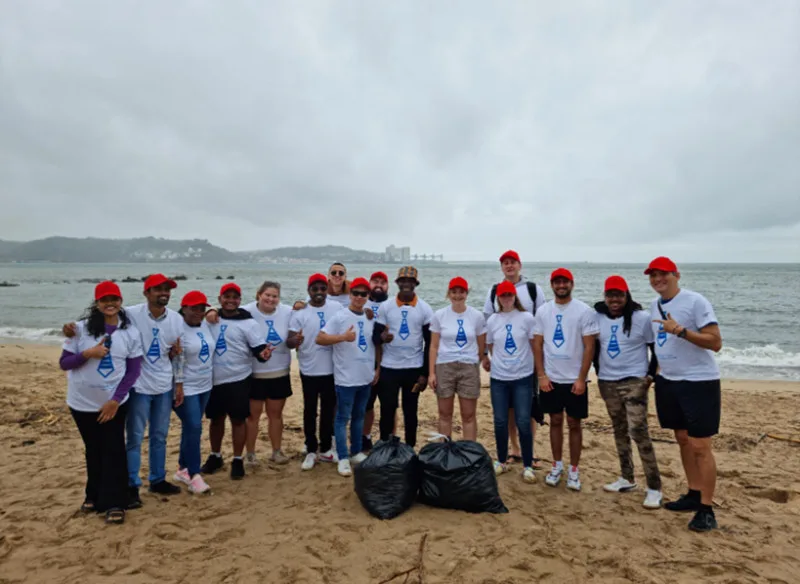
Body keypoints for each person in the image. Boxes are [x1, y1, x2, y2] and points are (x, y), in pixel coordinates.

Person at [62, 273, 185, 507]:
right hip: (137, 387)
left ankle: (157, 479)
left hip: (163, 385)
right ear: (146, 293)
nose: (163, 293)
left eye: (167, 289)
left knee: (159, 436)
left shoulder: (176, 320)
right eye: (158, 289)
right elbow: (96, 321)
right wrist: (69, 329)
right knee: (134, 438)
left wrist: (178, 383)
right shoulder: (130, 314)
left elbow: (175, 352)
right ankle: (131, 485)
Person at [645, 256, 723, 532]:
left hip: (699, 382)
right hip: (669, 382)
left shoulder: (695, 301)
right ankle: (693, 492)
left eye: (663, 274)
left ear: (676, 275)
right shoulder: (655, 305)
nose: (658, 279)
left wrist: (679, 330)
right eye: (653, 275)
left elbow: (715, 342)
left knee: (701, 446)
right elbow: (658, 346)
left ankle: (707, 507)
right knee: (682, 439)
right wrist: (653, 375)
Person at [59, 281, 143, 524]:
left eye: (114, 299)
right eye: (104, 300)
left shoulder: (130, 332)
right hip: (81, 403)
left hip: (114, 404)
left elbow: (133, 371)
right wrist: (87, 354)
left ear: (120, 301)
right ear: (97, 303)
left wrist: (115, 401)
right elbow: (64, 363)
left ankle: (115, 502)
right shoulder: (80, 330)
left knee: (114, 450)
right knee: (93, 450)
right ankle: (93, 495)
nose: (110, 304)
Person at [593, 275, 662, 509]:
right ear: (605, 296)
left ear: (626, 296)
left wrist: (651, 377)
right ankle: (627, 478)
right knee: (619, 430)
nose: (614, 299)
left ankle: (654, 487)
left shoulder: (642, 319)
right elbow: (593, 347)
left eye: (619, 295)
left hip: (634, 381)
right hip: (607, 382)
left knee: (638, 431)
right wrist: (597, 370)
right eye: (610, 295)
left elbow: (656, 348)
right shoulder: (598, 317)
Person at [533, 268, 598, 491]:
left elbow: (590, 346)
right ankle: (557, 464)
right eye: (557, 282)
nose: (561, 286)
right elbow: (538, 345)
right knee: (556, 421)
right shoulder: (543, 311)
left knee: (574, 423)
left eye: (565, 282)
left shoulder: (584, 311)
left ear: (572, 283)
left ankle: (574, 470)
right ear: (552, 285)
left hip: (574, 379)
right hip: (551, 378)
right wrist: (541, 375)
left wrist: (582, 378)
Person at [200, 283, 272, 480]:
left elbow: (259, 349)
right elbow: (188, 320)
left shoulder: (248, 323)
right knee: (215, 420)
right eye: (226, 297)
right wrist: (210, 312)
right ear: (220, 298)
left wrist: (264, 355)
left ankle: (238, 459)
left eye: (235, 297)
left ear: (240, 300)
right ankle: (215, 456)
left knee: (238, 421)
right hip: (213, 379)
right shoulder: (210, 320)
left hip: (238, 379)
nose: (230, 300)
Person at [483, 250, 546, 468]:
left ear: (520, 265)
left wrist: (540, 361)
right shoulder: (494, 291)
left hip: (526, 361)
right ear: (501, 267)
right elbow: (488, 324)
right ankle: (514, 449)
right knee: (507, 411)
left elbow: (542, 319)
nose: (509, 266)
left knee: (528, 408)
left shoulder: (532, 289)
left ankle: (530, 450)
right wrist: (490, 356)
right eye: (505, 263)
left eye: (512, 263)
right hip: (503, 366)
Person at [316, 277, 381, 477]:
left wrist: (376, 369)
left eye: (363, 294)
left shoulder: (370, 317)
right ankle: (343, 457)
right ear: (350, 294)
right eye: (355, 293)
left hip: (365, 377)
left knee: (360, 416)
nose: (359, 298)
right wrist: (342, 337)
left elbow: (375, 344)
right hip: (345, 378)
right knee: (342, 417)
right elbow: (320, 338)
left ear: (368, 297)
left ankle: (355, 451)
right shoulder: (340, 316)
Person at [372, 266, 433, 449]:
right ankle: (385, 447)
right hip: (389, 368)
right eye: (403, 281)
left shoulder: (425, 309)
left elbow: (429, 343)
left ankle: (410, 448)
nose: (407, 284)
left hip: (413, 368)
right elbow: (375, 337)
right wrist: (382, 338)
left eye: (411, 281)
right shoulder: (386, 306)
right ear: (397, 283)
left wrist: (425, 373)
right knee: (387, 410)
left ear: (415, 284)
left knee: (411, 412)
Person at [287, 274, 342, 470]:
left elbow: (354, 313)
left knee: (329, 411)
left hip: (331, 368)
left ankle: (326, 448)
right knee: (310, 411)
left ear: (327, 289)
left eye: (322, 288)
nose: (319, 292)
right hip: (309, 369)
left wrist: (369, 312)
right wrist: (295, 341)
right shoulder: (300, 312)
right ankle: (311, 449)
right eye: (314, 289)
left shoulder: (336, 308)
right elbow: (289, 340)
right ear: (309, 290)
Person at [485, 280, 537, 483]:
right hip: (499, 378)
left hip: (522, 377)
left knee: (524, 421)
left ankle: (527, 464)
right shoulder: (493, 320)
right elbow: (490, 345)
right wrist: (498, 362)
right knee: (500, 421)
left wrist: (536, 370)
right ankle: (501, 460)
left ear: (515, 296)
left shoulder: (526, 318)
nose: (506, 298)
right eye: (503, 295)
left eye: (509, 295)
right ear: (498, 298)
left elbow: (534, 345)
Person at [429, 277, 488, 441]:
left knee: (468, 415)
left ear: (466, 293)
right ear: (448, 294)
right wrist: (431, 373)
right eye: (454, 292)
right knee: (444, 414)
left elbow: (481, 345)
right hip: (444, 366)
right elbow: (433, 346)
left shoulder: (476, 316)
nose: (457, 296)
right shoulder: (439, 315)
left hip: (468, 367)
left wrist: (473, 361)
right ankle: (445, 451)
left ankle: (469, 453)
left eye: (461, 292)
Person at [242, 281, 293, 465]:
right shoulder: (246, 311)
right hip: (255, 373)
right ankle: (250, 454)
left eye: (275, 296)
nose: (271, 299)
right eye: (267, 295)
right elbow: (225, 313)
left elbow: (303, 311)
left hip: (279, 372)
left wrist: (301, 305)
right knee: (252, 416)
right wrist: (211, 313)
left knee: (276, 415)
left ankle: (276, 451)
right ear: (258, 295)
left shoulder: (287, 311)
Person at [172, 290, 214, 495]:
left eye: (202, 308)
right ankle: (195, 475)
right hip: (185, 387)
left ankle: (182, 469)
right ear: (184, 308)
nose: (198, 312)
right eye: (193, 308)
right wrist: (178, 385)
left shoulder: (205, 324)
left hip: (205, 385)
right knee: (194, 427)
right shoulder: (177, 328)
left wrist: (213, 311)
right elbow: (177, 359)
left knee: (191, 428)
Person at [362, 270, 391, 450]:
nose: (379, 285)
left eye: (383, 282)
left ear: (388, 286)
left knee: (389, 404)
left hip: (390, 361)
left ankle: (390, 439)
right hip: (365, 360)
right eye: (375, 281)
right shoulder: (360, 301)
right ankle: (365, 436)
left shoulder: (392, 304)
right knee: (367, 404)